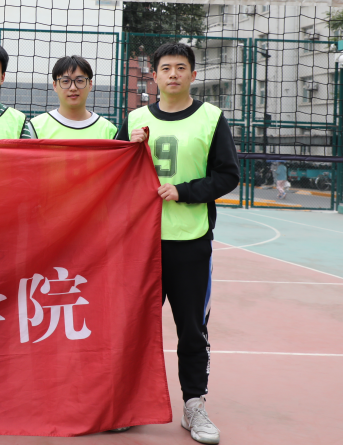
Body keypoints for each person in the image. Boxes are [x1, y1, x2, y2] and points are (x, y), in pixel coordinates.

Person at [116, 42, 239, 445]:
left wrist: (184, 191)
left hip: (189, 241)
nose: (173, 74)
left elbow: (227, 175)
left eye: (180, 68)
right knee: (133, 328)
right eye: (165, 68)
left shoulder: (211, 117)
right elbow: (112, 172)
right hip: (141, 243)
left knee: (191, 329)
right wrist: (128, 149)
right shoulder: (134, 119)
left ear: (193, 75)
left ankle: (193, 405)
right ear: (153, 76)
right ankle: (128, 405)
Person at [29, 55, 117, 140]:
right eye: (65, 81)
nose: (73, 88)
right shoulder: (35, 128)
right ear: (55, 85)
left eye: (80, 80)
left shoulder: (109, 131)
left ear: (90, 85)